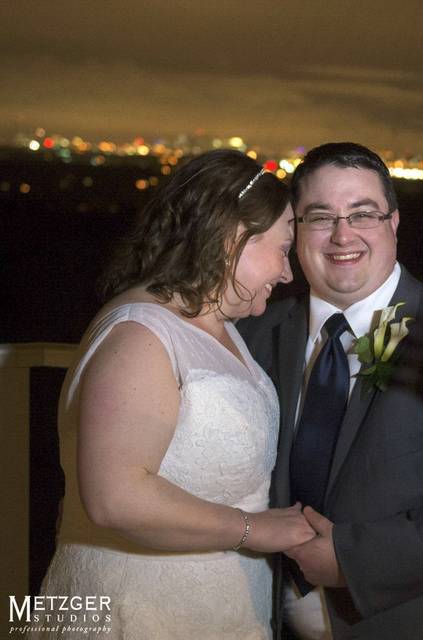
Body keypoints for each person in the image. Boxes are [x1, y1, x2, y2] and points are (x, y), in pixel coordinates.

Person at [238, 142, 423, 640]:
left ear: (393, 224)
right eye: (320, 217)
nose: (342, 235)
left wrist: (355, 562)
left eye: (363, 214)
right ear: (294, 231)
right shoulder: (255, 333)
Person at [40, 149, 317, 639]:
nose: (287, 272)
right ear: (233, 238)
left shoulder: (220, 327)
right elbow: (114, 498)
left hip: (216, 609)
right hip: (133, 610)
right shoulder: (139, 333)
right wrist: (255, 530)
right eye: (282, 248)